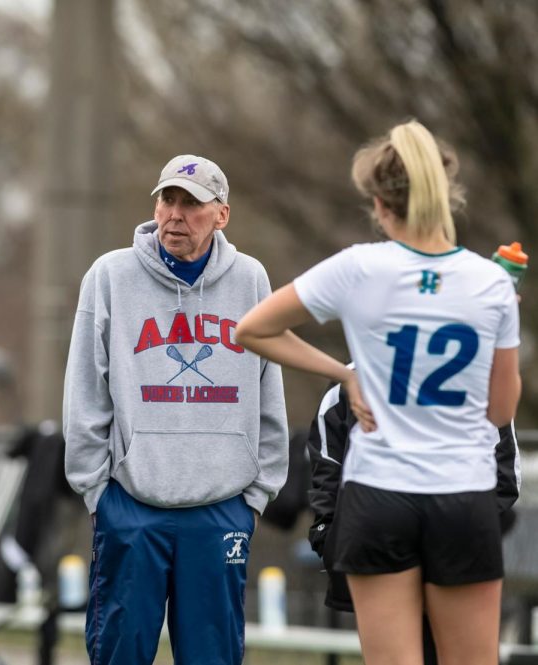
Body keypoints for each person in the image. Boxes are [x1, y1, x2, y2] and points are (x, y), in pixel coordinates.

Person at [234, 120, 521, 665]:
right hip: (462, 497)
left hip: (378, 496)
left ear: (379, 202)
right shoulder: (492, 283)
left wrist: (344, 374)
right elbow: (501, 410)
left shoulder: (358, 267)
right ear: (445, 194)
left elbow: (251, 328)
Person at [63, 154, 289, 664]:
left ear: (221, 215)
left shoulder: (250, 280)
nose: (176, 214)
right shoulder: (109, 277)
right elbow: (85, 391)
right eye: (168, 200)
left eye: (192, 203)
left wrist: (256, 494)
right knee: (120, 653)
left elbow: (267, 387)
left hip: (221, 509)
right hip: (131, 506)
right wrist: (99, 491)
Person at [306, 367, 521, 665]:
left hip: (455, 549)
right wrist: (330, 539)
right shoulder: (350, 380)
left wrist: (469, 531)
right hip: (380, 546)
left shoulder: (477, 369)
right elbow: (326, 471)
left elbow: (505, 477)